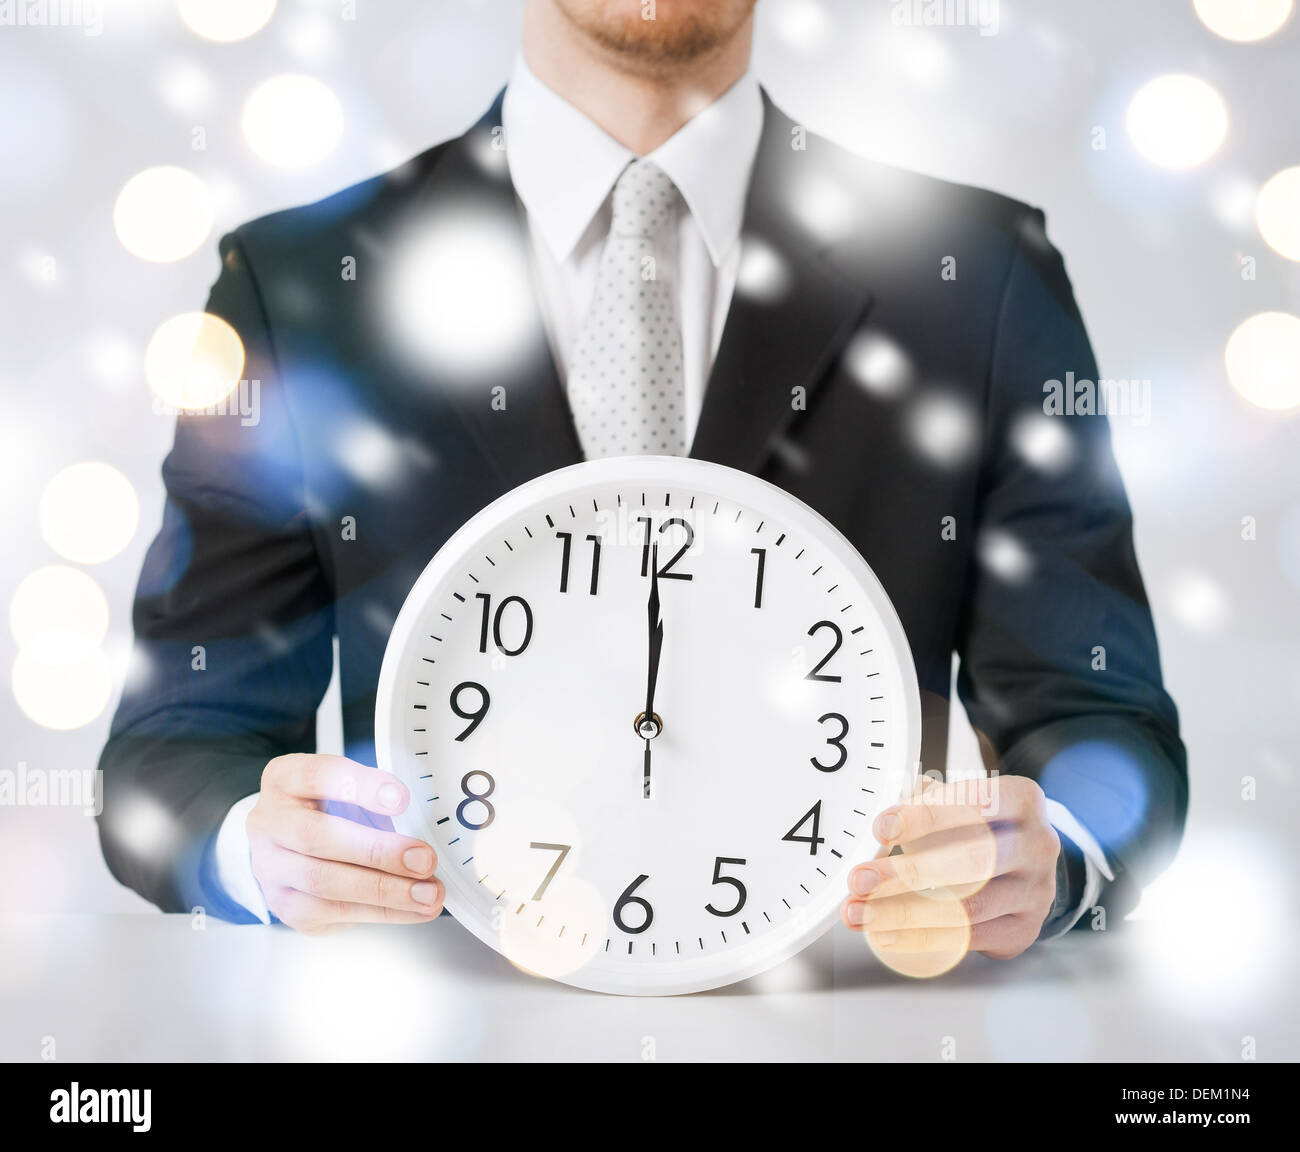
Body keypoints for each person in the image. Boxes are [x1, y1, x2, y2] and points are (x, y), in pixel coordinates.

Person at [98, 0, 1186, 961]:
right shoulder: (299, 287)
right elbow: (176, 747)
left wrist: (1053, 861)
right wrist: (255, 848)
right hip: (449, 1020)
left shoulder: (978, 274)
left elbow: (1099, 712)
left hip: (846, 1019)